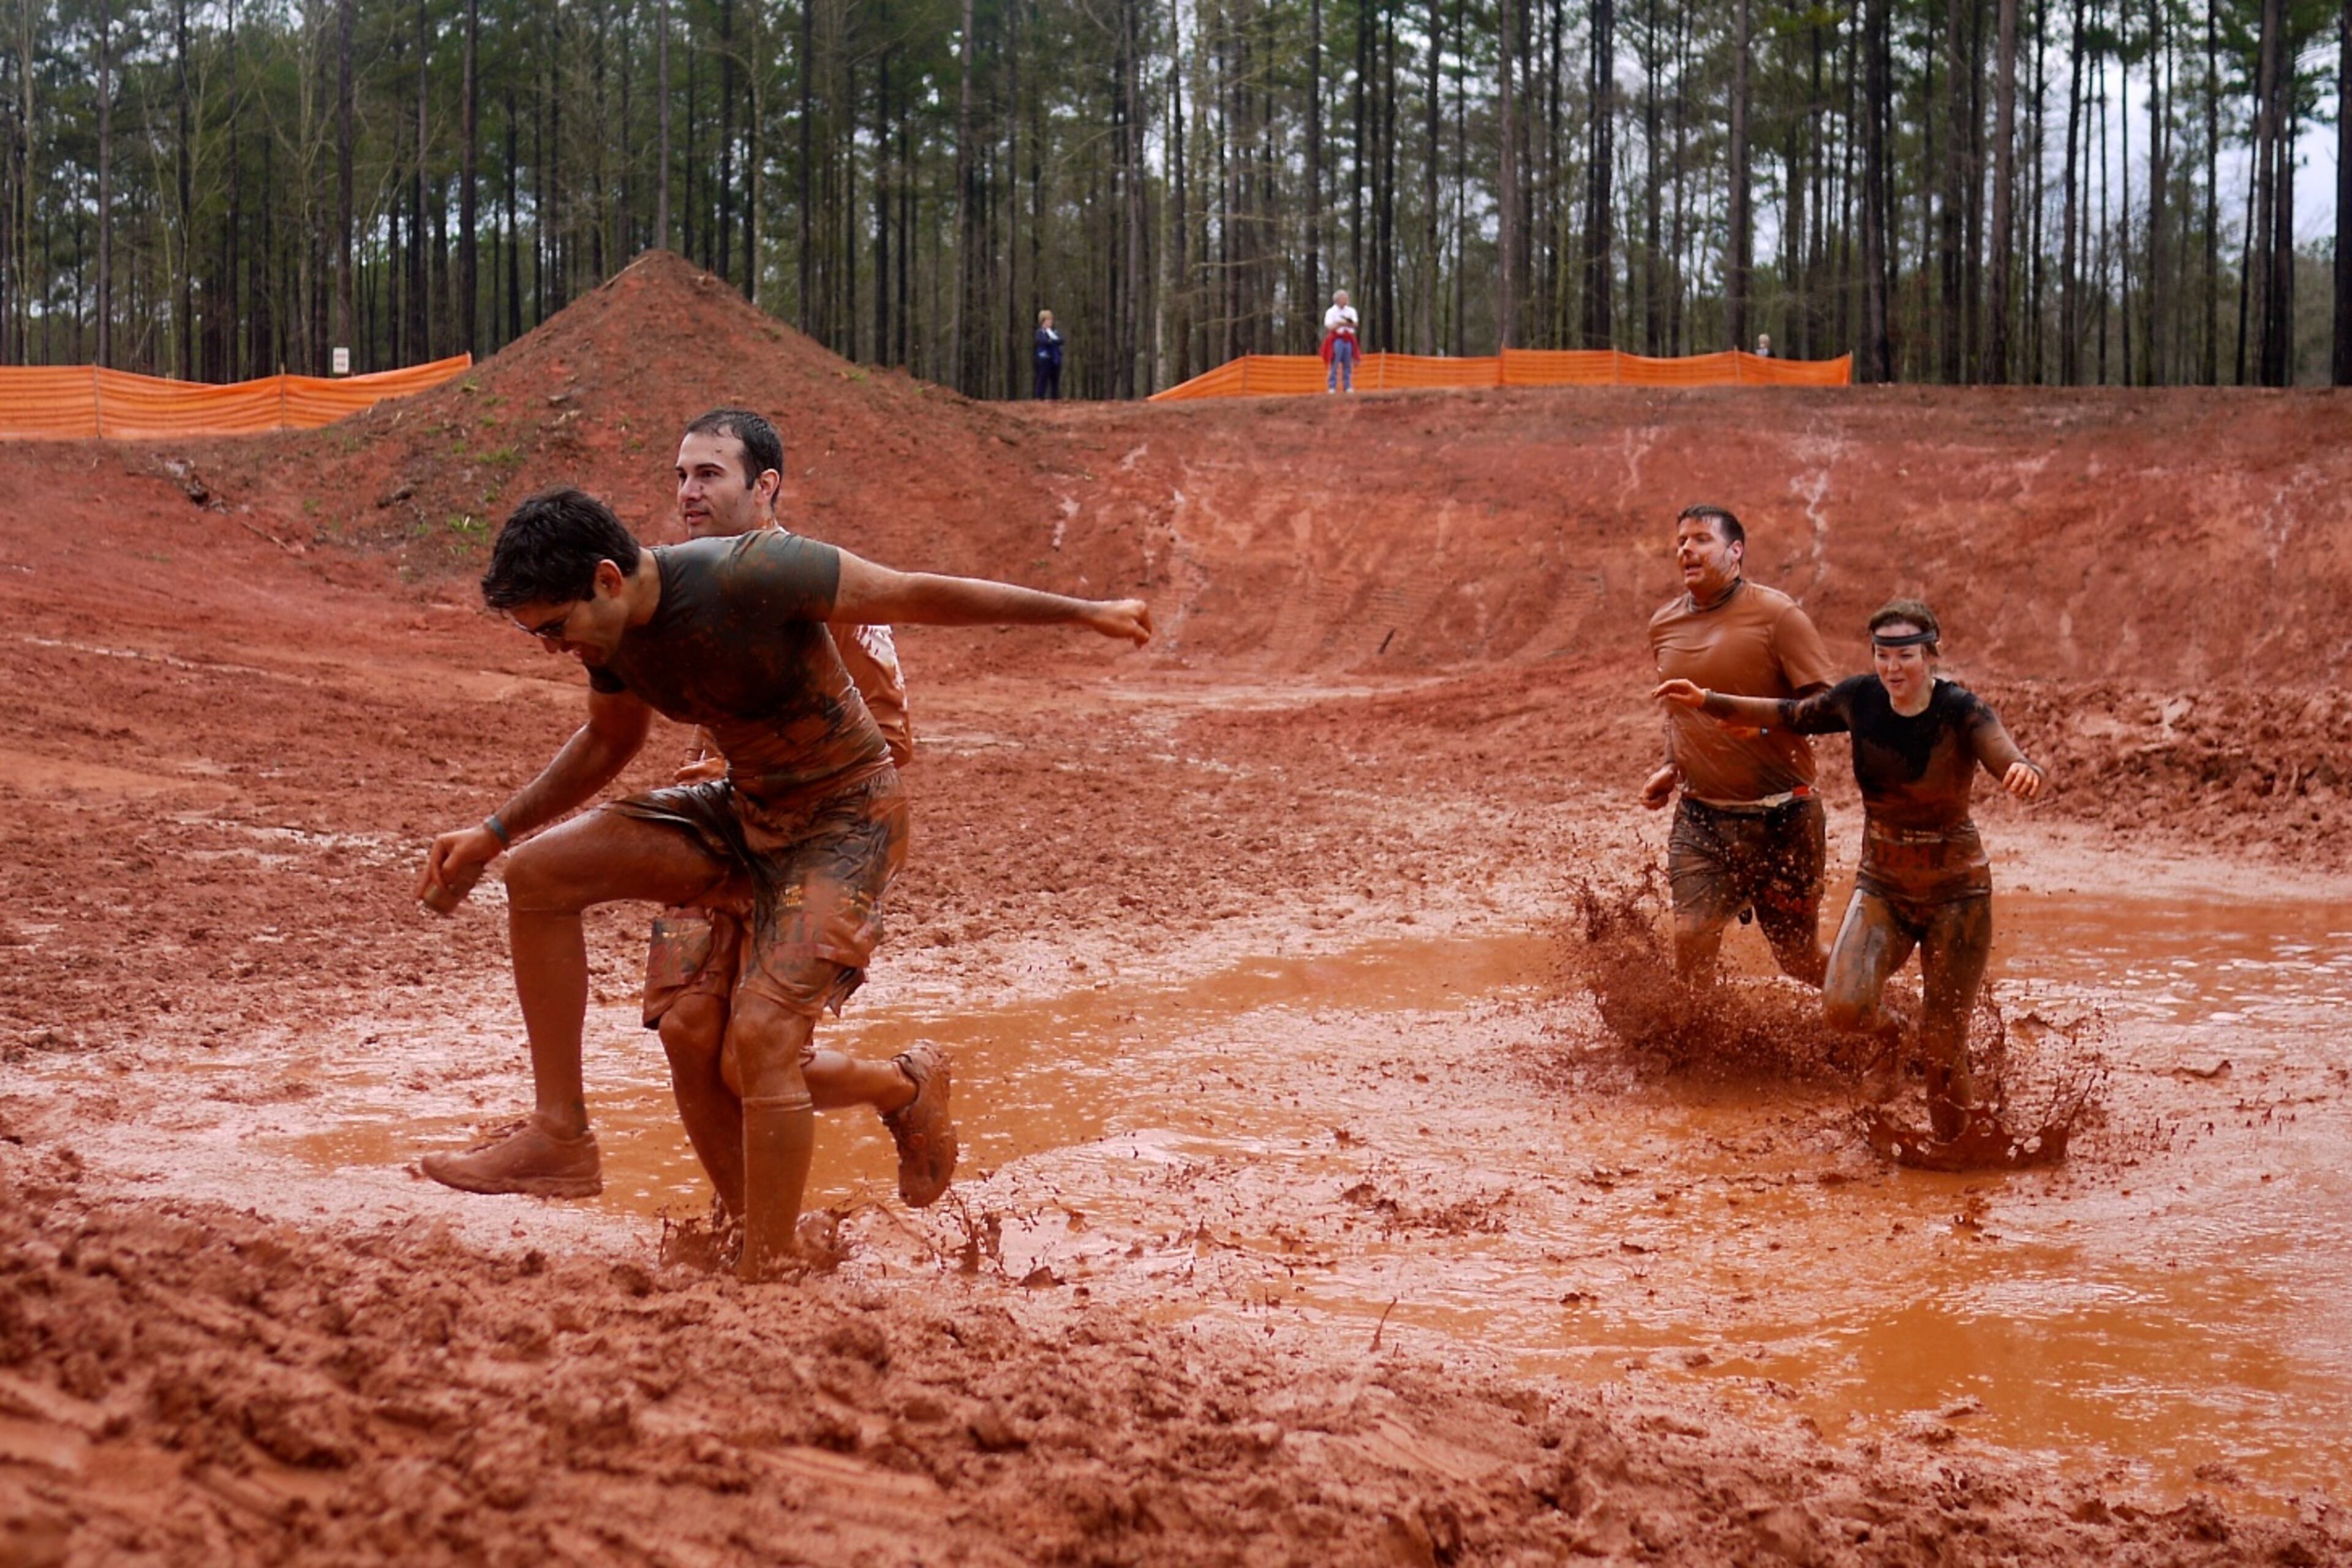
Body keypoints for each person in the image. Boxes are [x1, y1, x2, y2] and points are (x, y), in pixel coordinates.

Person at [415, 491, 1151, 1279]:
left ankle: (772, 1267)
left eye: (554, 628)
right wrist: (493, 834)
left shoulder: (755, 570)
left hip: (844, 823)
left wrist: (1084, 612)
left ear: (605, 579)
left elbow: (913, 592)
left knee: (759, 1042)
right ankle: (563, 1138)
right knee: (550, 885)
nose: (554, 649)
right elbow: (609, 740)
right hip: (741, 808)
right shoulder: (610, 633)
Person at [641, 408, 943, 1227]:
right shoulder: (674, 584)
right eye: (680, 475)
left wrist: (770, 765)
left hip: (815, 840)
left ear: (764, 485)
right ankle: (753, 1229)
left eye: (708, 474)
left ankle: (902, 1087)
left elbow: (891, 740)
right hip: (713, 832)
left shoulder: (826, 585)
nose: (687, 492)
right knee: (685, 1029)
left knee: (753, 1056)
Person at [1655, 599, 2046, 1140]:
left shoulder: (1962, 709)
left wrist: (2022, 770)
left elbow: (2003, 751)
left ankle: (1957, 1155)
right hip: (1882, 885)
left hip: (1956, 893)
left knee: (1945, 1048)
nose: (1892, 668)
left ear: (1930, 656)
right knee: (1844, 1004)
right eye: (1883, 655)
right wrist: (1709, 701)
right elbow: (1788, 715)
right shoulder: (1860, 698)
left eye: (1905, 655)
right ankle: (1897, 1036)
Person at [1642, 505, 1837, 987]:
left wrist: (1765, 727)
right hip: (1702, 818)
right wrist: (1672, 765)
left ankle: (1889, 1015)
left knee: (1799, 959)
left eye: (1701, 539)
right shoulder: (1663, 624)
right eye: (1681, 541)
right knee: (1691, 938)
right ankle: (1698, 1058)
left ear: (1736, 551)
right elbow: (1681, 713)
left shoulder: (1778, 616)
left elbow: (1830, 709)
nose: (1686, 549)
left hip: (1783, 819)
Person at [1321, 290, 1360, 393]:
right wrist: (1341, 324)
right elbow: (1330, 327)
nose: (1346, 301)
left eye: (1347, 298)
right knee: (1335, 363)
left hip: (1348, 339)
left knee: (1348, 364)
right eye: (1344, 299)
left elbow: (1355, 324)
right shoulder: (1331, 312)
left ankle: (1347, 386)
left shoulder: (1351, 311)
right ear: (1338, 300)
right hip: (1336, 340)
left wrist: (1344, 323)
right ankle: (1332, 386)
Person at [1034, 310, 1063, 401]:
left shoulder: (1054, 332)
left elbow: (1061, 340)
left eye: (1051, 320)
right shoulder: (1040, 332)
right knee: (1043, 379)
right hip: (1044, 359)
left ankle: (1055, 398)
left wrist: (1053, 341)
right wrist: (1052, 341)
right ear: (1043, 321)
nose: (1050, 322)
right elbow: (1043, 341)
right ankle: (1040, 398)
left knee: (1055, 380)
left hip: (1055, 359)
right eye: (1048, 320)